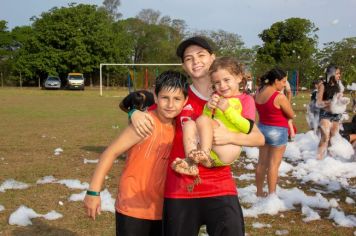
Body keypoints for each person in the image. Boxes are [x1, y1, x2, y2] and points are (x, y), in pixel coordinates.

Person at [130, 36, 264, 236]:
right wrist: (134, 113)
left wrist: (228, 137)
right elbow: (147, 114)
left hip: (221, 187)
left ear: (212, 58)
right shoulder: (178, 96)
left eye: (201, 55)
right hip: (181, 188)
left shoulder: (230, 97)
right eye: (189, 58)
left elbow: (258, 138)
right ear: (184, 65)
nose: (196, 61)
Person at [83, 71, 189, 236]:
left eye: (177, 99)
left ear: (185, 101)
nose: (170, 105)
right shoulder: (145, 123)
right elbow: (110, 153)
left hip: (162, 209)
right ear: (155, 95)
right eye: (165, 98)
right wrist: (93, 192)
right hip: (132, 207)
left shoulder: (181, 127)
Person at [171, 56, 253, 177]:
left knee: (203, 120)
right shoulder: (216, 96)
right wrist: (208, 109)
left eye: (226, 80)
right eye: (217, 83)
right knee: (189, 124)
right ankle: (191, 161)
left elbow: (248, 128)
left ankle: (203, 152)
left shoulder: (246, 99)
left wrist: (227, 110)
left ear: (239, 77)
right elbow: (203, 124)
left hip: (229, 148)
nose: (222, 86)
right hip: (212, 157)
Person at [255, 68, 295, 197]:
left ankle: (259, 192)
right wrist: (287, 100)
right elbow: (291, 114)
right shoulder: (279, 96)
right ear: (276, 80)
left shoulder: (259, 92)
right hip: (277, 131)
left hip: (262, 129)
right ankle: (272, 195)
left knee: (261, 163)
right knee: (273, 165)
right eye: (283, 81)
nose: (284, 85)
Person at [316, 65, 343, 160]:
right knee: (325, 137)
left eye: (339, 73)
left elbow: (339, 100)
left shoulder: (338, 86)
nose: (339, 75)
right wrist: (330, 102)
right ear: (331, 74)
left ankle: (330, 160)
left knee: (333, 138)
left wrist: (342, 101)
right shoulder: (323, 85)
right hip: (325, 115)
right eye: (337, 73)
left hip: (336, 115)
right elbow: (318, 103)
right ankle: (318, 159)